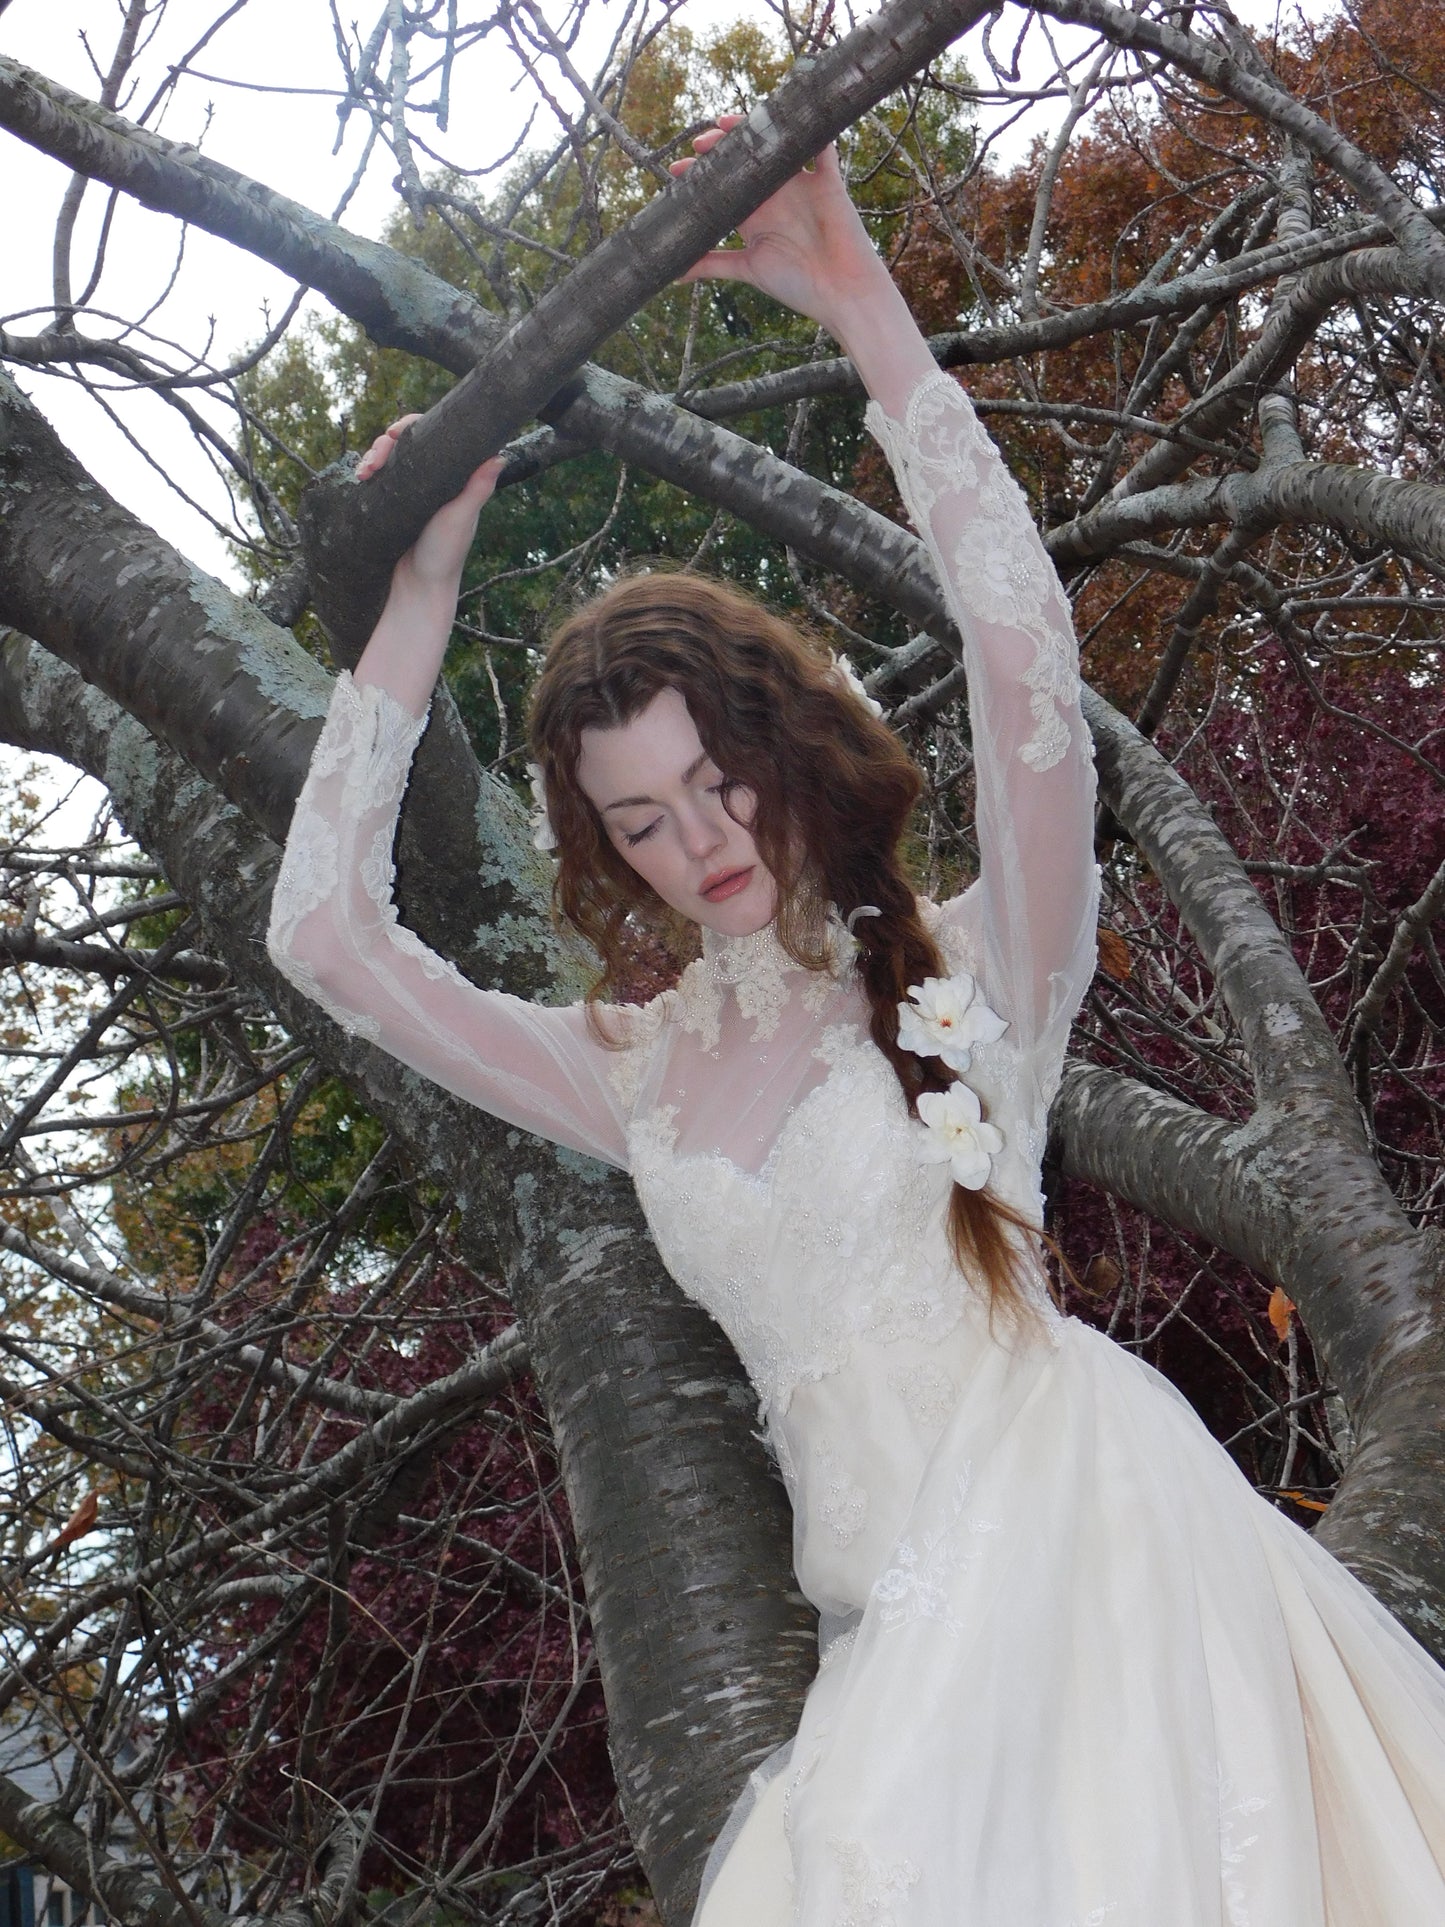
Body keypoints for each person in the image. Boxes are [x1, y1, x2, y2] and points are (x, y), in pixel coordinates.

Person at [267, 120, 1445, 1925]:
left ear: (777, 744)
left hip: (1093, 1562)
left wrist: (865, 309)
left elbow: (1024, 659)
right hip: (884, 1654)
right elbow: (328, 938)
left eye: (710, 782)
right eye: (637, 822)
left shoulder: (979, 965)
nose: (695, 842)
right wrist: (412, 602)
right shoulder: (633, 1073)